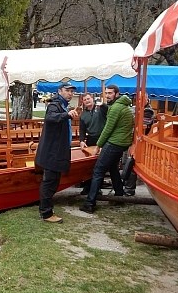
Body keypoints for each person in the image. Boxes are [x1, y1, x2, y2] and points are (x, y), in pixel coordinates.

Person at [80, 84, 134, 214]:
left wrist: (98, 146)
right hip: (120, 143)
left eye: (110, 93)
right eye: (106, 93)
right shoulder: (123, 106)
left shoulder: (115, 108)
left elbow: (107, 129)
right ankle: (119, 196)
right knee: (113, 169)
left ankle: (90, 203)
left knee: (98, 170)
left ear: (116, 94)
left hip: (114, 143)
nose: (108, 95)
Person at [35, 82, 80, 223]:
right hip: (51, 153)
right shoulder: (54, 105)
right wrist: (66, 115)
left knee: (53, 182)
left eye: (72, 91)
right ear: (60, 91)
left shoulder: (62, 106)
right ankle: (46, 214)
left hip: (56, 152)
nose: (70, 93)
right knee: (49, 182)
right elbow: (51, 117)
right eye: (67, 91)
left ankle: (46, 209)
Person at [78, 93, 107, 194]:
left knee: (100, 164)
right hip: (90, 140)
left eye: (88, 99)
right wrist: (81, 140)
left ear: (93, 99)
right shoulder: (83, 115)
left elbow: (108, 109)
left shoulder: (101, 110)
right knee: (89, 165)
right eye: (85, 99)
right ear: (83, 102)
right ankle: (87, 186)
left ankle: (97, 188)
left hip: (102, 139)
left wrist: (103, 104)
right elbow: (82, 129)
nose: (87, 101)